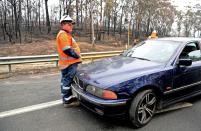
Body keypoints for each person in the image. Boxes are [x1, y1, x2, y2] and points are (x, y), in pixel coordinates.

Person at [56, 15, 82, 107]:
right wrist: (76, 55)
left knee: (65, 81)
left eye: (72, 24)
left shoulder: (66, 34)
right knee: (67, 81)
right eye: (69, 24)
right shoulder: (63, 34)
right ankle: (67, 101)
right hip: (69, 64)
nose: (72, 26)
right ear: (63, 24)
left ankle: (68, 98)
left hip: (68, 63)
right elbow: (67, 49)